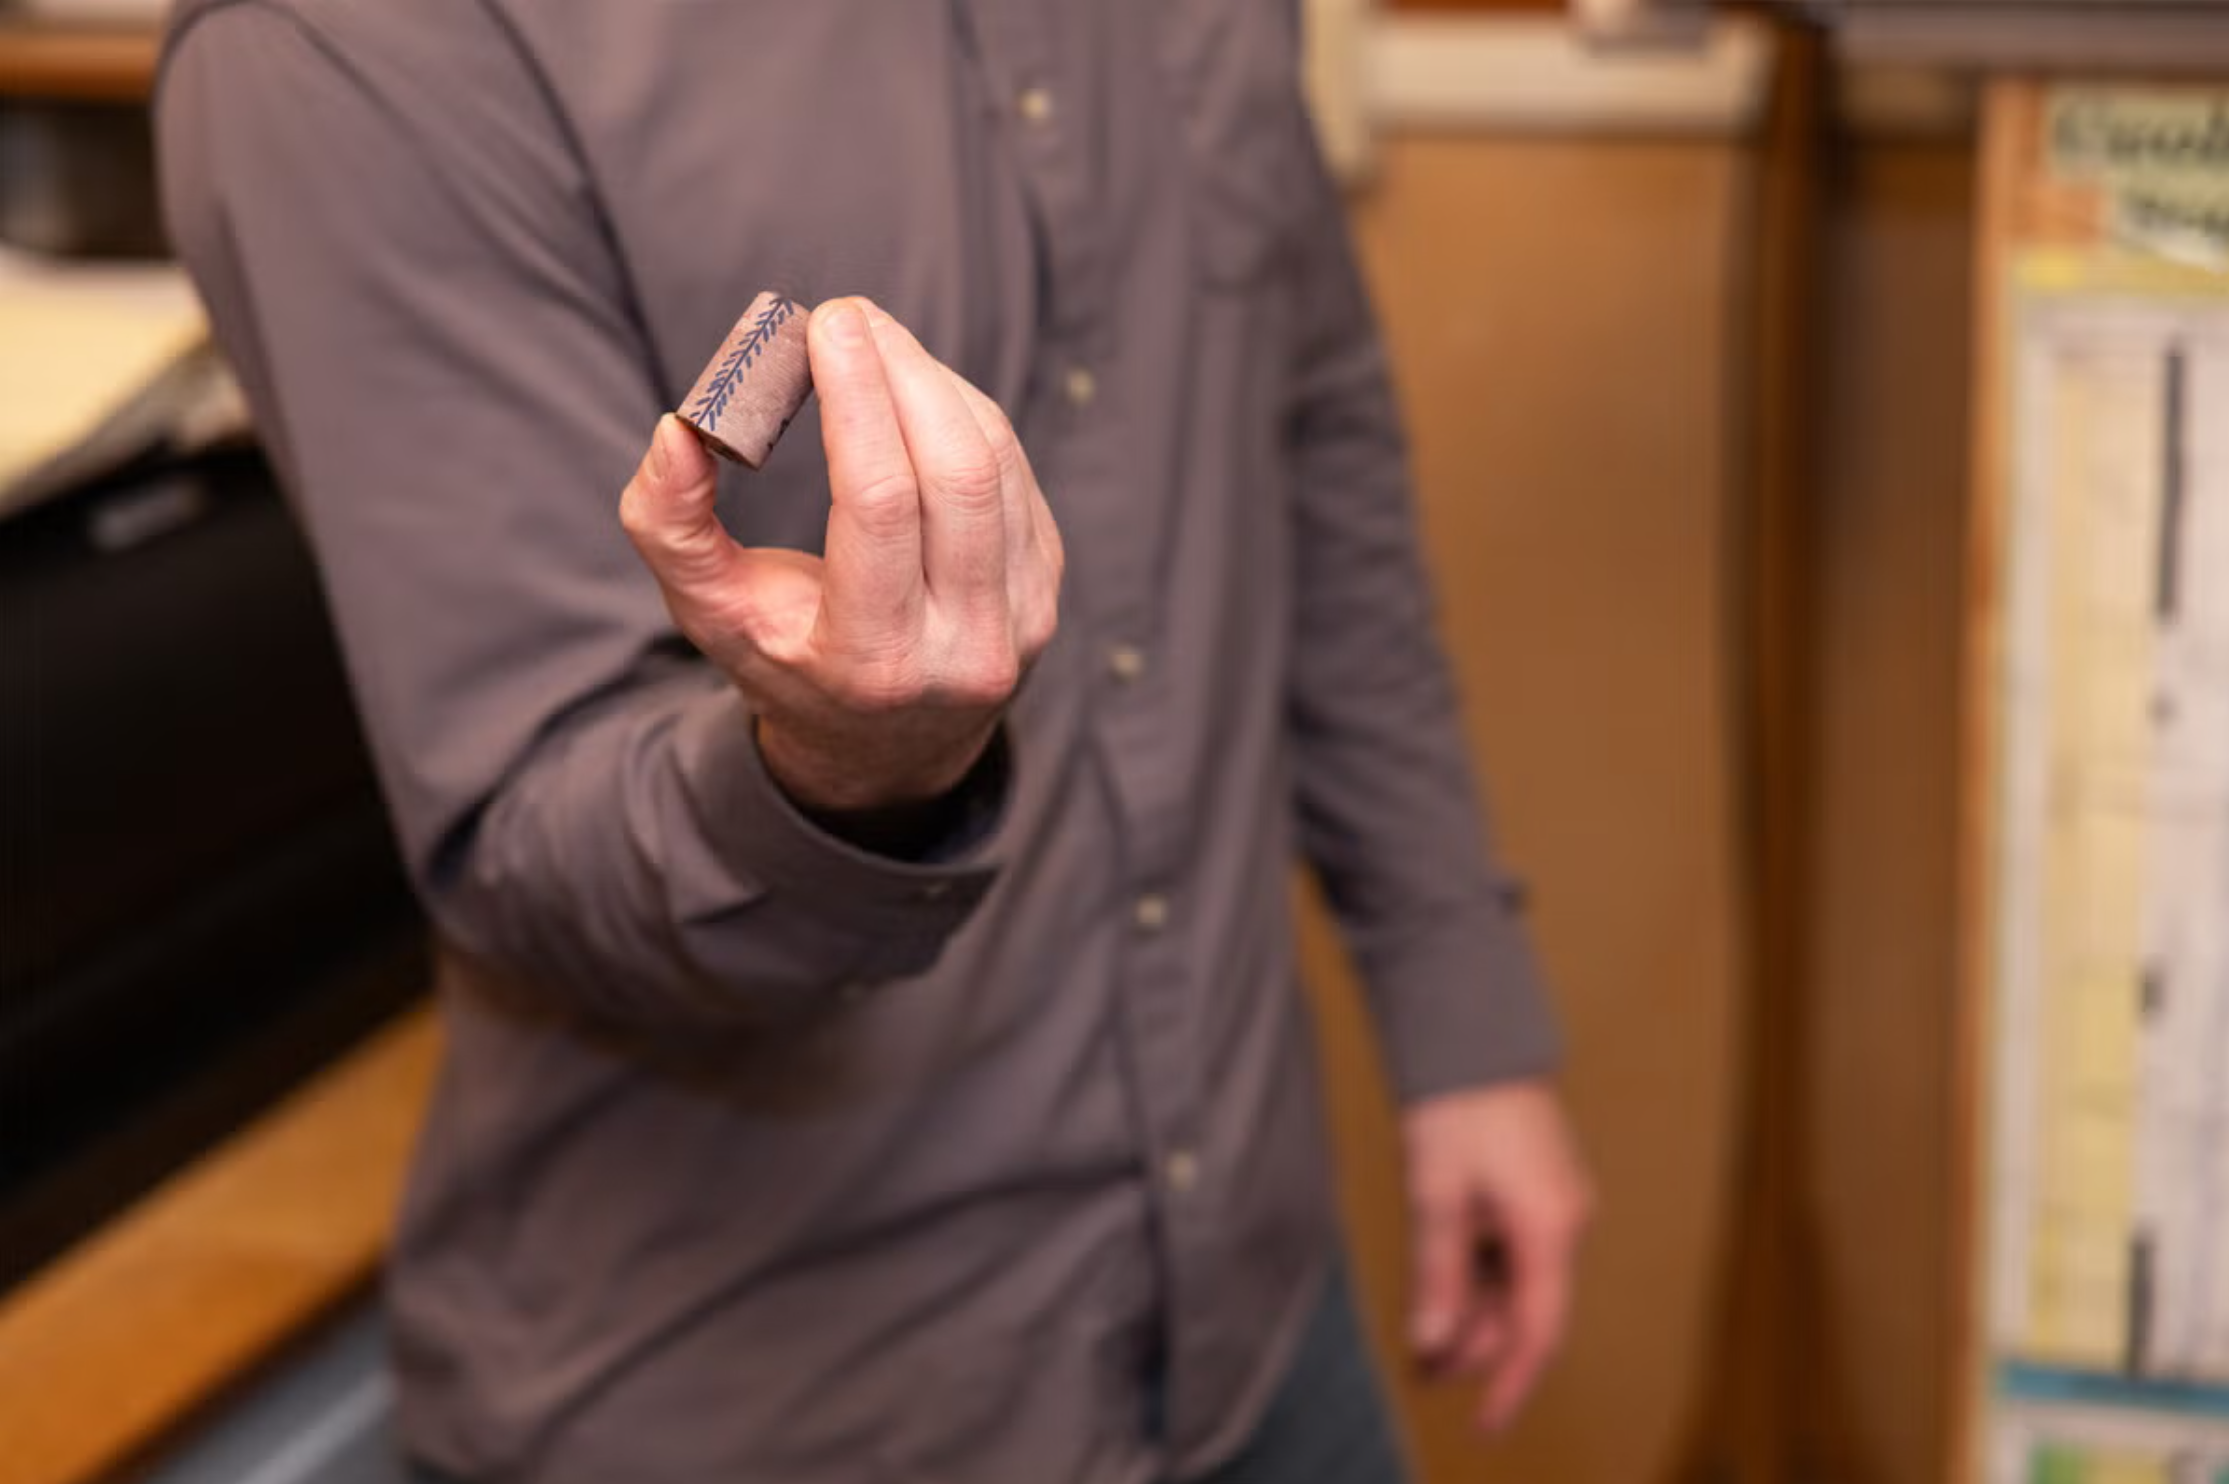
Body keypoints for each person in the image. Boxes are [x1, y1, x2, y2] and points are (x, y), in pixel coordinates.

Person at [155, 2, 1593, 1481]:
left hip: (1267, 1324)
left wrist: (1455, 1000)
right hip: (796, 1405)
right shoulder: (349, 37)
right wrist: (847, 777)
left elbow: (1309, 439)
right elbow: (527, 820)